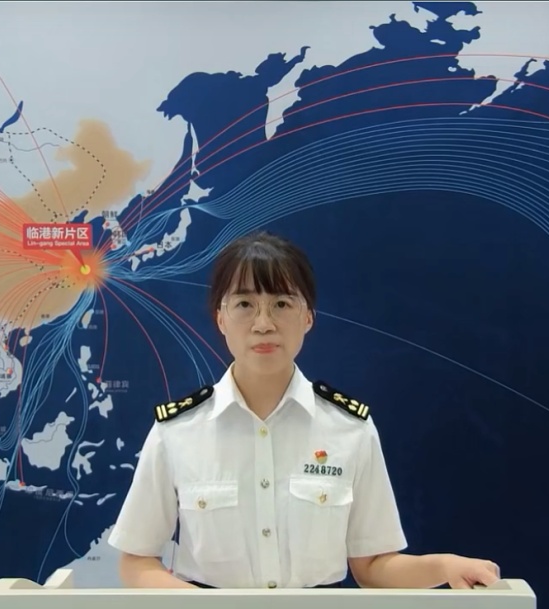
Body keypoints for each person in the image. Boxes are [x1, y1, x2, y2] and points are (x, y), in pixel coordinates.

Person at [108, 231, 500, 590]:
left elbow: (373, 566)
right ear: (220, 318)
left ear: (308, 317)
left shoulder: (350, 429)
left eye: (281, 304)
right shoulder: (177, 431)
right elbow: (137, 560)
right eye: (244, 304)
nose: (263, 324)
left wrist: (444, 567)